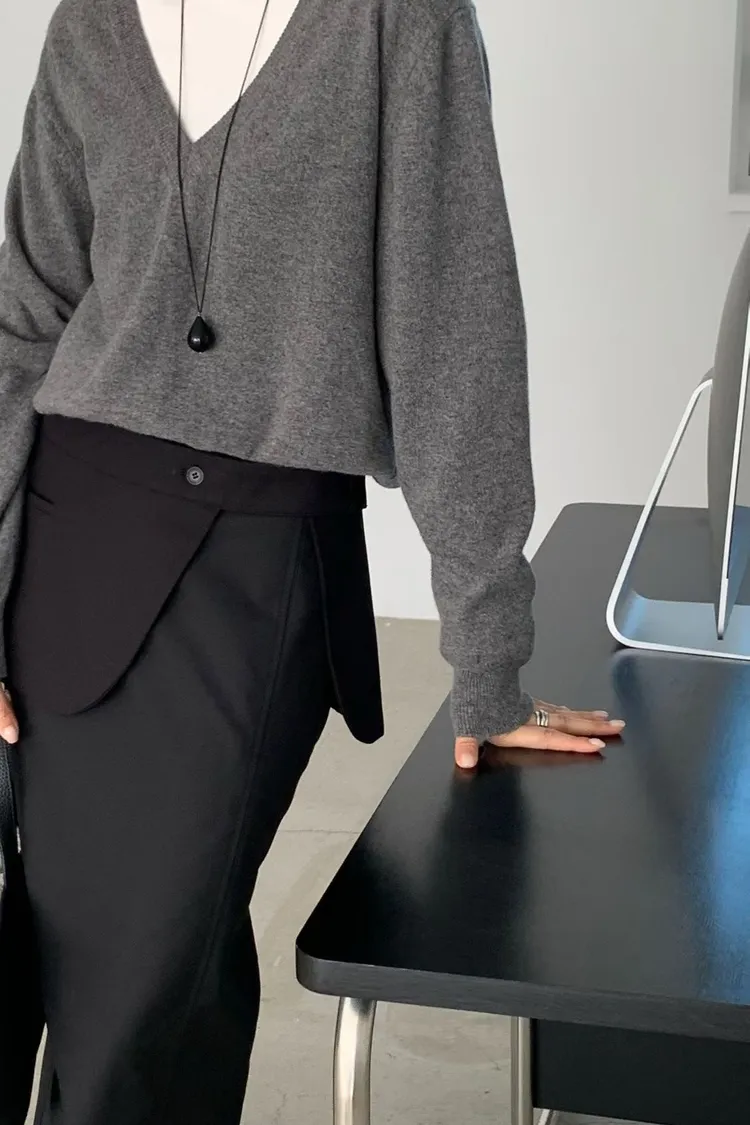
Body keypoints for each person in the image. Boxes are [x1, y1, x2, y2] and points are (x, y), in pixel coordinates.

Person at [0, 0, 625, 1122]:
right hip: (62, 530)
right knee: (46, 955)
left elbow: (454, 331)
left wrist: (489, 657)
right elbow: (23, 313)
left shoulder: (400, 22)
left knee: (145, 994)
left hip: (258, 559)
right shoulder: (91, 21)